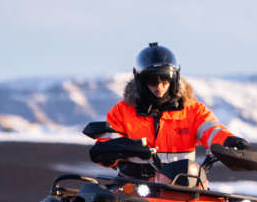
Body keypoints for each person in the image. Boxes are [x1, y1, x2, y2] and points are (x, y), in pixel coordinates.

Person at [95, 42, 248, 177]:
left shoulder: (193, 110)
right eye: (152, 81)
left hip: (182, 186)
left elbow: (211, 131)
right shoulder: (122, 111)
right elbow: (106, 143)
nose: (159, 87)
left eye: (165, 80)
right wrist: (117, 149)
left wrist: (230, 141)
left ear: (174, 79)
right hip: (134, 185)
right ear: (141, 81)